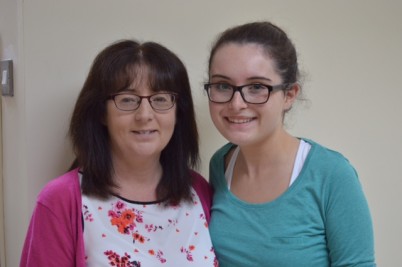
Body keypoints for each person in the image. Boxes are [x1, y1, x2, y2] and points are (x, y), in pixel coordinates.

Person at [20, 40, 218, 266]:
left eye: (161, 99)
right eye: (127, 100)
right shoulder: (60, 200)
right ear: (102, 113)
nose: (145, 115)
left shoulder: (198, 189)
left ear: (177, 112)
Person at [205, 21, 376, 266]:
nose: (236, 104)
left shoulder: (332, 174)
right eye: (223, 86)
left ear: (289, 95)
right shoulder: (220, 165)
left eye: (256, 87)